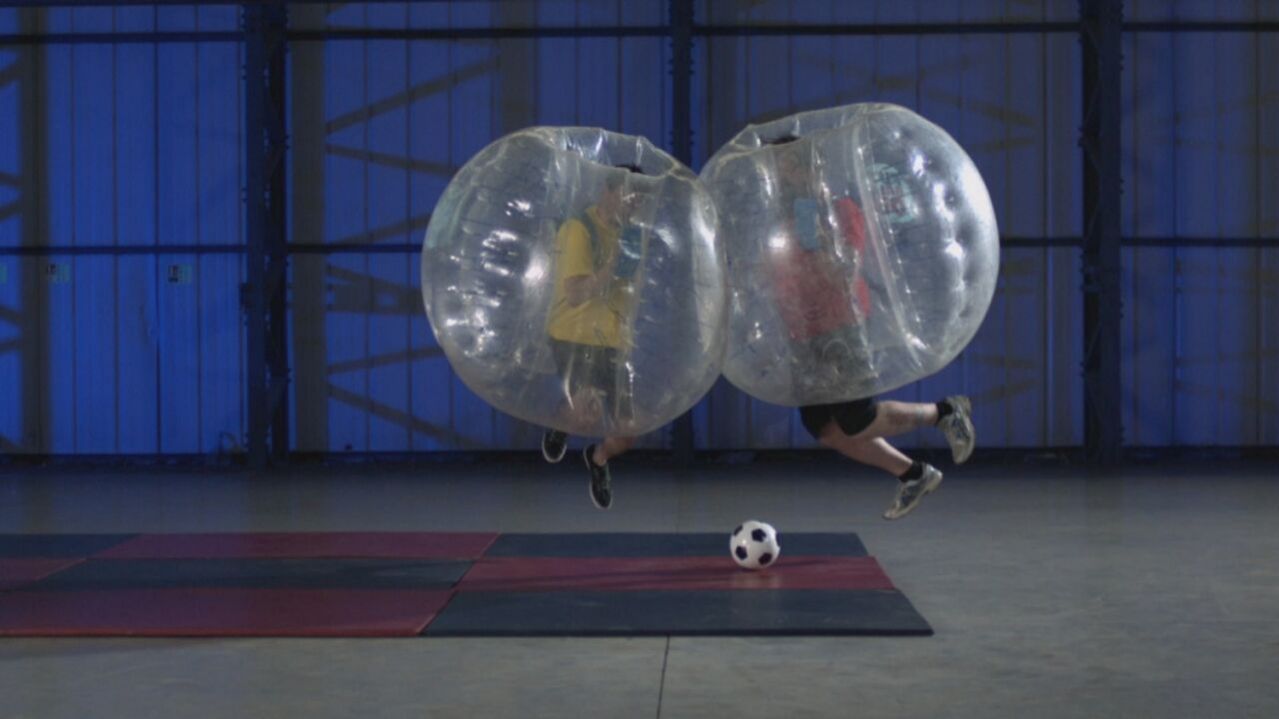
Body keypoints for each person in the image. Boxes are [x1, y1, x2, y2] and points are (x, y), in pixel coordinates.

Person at [767, 136, 976, 519]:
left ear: (808, 168)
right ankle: (914, 474)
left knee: (857, 419)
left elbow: (841, 274)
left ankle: (945, 412)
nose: (779, 175)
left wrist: (814, 235)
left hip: (839, 326)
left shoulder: (838, 210)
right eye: (777, 167)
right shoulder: (787, 215)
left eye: (786, 165)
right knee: (826, 429)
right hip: (803, 332)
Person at [539, 170, 645, 510]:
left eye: (637, 202)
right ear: (607, 191)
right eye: (628, 198)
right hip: (574, 334)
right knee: (585, 412)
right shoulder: (579, 229)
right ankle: (561, 423)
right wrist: (612, 266)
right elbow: (575, 293)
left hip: (611, 339)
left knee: (628, 432)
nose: (632, 207)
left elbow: (627, 289)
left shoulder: (631, 235)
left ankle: (597, 458)